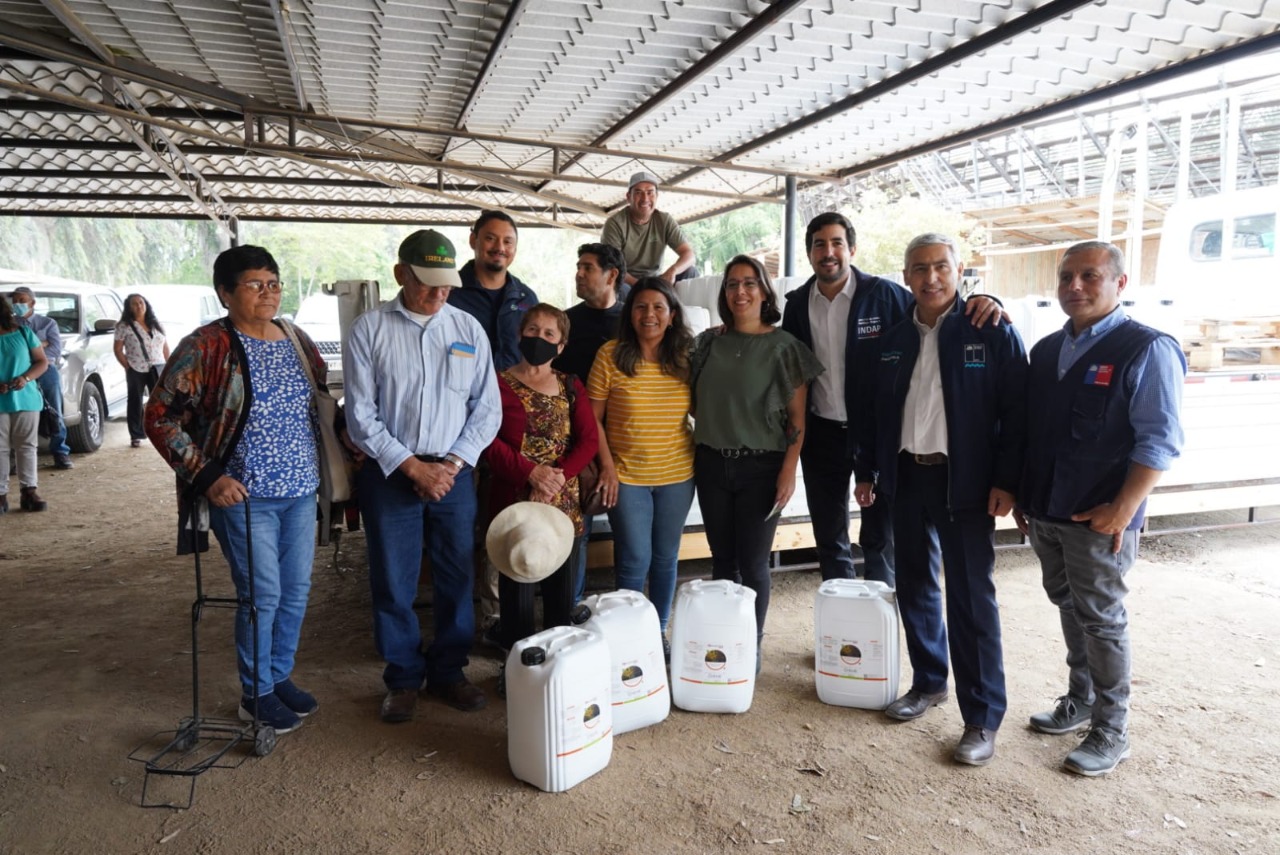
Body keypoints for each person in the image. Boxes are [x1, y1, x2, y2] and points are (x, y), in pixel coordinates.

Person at [853, 234, 1028, 767]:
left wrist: (1007, 480)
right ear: (905, 276)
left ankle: (982, 716)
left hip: (966, 483)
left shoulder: (990, 329)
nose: (931, 277)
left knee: (972, 599)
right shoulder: (892, 337)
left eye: (941, 267)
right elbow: (872, 411)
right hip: (906, 476)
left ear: (959, 271)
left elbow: (1017, 414)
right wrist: (869, 471)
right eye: (920, 268)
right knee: (915, 584)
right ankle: (929, 683)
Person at [1015, 241, 1186, 777]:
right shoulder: (1045, 351)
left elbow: (1159, 440)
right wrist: (1025, 496)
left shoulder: (1146, 349)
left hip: (1100, 519)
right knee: (1067, 603)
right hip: (1047, 510)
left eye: (1090, 276)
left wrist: (1123, 508)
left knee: (1102, 618)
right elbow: (1030, 433)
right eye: (1067, 277)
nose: (1075, 287)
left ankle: (1112, 728)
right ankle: (1080, 698)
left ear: (1120, 283)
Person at [144, 245, 325, 736]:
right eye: (254, 284)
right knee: (261, 594)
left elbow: (318, 404)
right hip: (244, 498)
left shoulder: (296, 338)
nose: (268, 292)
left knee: (295, 592)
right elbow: (159, 416)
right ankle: (256, 694)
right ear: (225, 293)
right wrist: (206, 476)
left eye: (274, 283)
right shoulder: (206, 346)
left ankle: (277, 675)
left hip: (300, 489)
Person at [782, 212, 1003, 586]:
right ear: (809, 254)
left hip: (879, 433)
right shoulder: (798, 304)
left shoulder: (884, 295)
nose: (829, 252)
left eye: (837, 243)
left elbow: (933, 311)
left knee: (880, 534)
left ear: (851, 249)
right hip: (822, 435)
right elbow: (784, 360)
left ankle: (879, 620)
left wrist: (984, 298)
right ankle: (843, 618)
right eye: (819, 244)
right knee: (829, 533)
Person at [346, 228, 501, 723]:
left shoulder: (467, 329)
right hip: (391, 473)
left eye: (446, 285)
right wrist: (412, 466)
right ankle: (404, 677)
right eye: (427, 284)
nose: (439, 294)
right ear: (400, 275)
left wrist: (451, 466)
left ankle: (450, 671)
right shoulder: (369, 329)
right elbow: (361, 417)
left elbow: (486, 409)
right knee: (394, 577)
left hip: (452, 475)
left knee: (458, 573)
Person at [690, 256, 822, 667]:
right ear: (724, 293)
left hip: (761, 468)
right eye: (732, 284)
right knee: (722, 560)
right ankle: (727, 642)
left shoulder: (785, 348)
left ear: (765, 291)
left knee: (753, 562)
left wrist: (788, 472)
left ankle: (754, 644)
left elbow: (798, 420)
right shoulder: (708, 343)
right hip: (711, 464)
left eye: (749, 283)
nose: (740, 292)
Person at [485, 304, 598, 680]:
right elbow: (487, 442)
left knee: (560, 593)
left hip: (562, 504)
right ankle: (516, 673)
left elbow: (588, 441)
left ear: (561, 345)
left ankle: (556, 672)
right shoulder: (496, 384)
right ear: (519, 335)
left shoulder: (571, 385)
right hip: (516, 502)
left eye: (549, 334)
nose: (539, 338)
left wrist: (555, 478)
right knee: (516, 587)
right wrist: (531, 474)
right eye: (532, 330)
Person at [587, 277, 696, 647]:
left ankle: (658, 632)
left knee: (666, 558)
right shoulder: (611, 355)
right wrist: (607, 468)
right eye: (640, 307)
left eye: (658, 308)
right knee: (634, 559)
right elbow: (593, 420)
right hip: (627, 476)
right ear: (630, 313)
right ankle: (628, 635)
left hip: (678, 475)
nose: (649, 315)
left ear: (672, 315)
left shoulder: (686, 358)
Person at [553, 242, 627, 600]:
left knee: (627, 532)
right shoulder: (567, 322)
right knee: (576, 529)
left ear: (611, 275)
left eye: (588, 268)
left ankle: (626, 611)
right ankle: (571, 609)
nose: (579, 274)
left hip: (625, 443)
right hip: (577, 442)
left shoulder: (632, 321)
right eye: (578, 267)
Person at [447, 210, 539, 371]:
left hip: (514, 393)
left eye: (508, 242)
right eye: (490, 238)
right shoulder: (448, 293)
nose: (499, 248)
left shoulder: (526, 299)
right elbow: (439, 346)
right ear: (473, 240)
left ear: (515, 249)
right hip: (463, 392)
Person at [9, 287, 72, 470]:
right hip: (17, 371)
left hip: (45, 369)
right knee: (14, 410)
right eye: (14, 302)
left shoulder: (47, 323)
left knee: (53, 408)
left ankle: (60, 452)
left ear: (32, 302)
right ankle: (14, 457)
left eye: (22, 300)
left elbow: (55, 350)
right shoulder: (10, 324)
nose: (17, 305)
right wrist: (40, 344)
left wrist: (30, 350)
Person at [601, 171, 696, 286]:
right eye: (638, 192)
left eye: (650, 192)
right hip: (627, 282)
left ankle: (674, 304)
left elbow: (689, 254)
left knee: (691, 271)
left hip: (656, 281)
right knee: (617, 285)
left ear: (656, 196)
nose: (645, 198)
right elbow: (613, 266)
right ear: (628, 197)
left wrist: (672, 271)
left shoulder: (664, 220)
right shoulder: (615, 224)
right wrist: (641, 287)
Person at [0, 294, 50, 513]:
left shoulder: (23, 333)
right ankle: (1, 495)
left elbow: (42, 362)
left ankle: (29, 491)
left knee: (27, 446)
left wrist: (25, 378)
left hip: (26, 397)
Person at [115, 293, 170, 449]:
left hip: (158, 365)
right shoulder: (123, 326)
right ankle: (136, 434)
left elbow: (165, 346)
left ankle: (163, 431)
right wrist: (127, 365)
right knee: (135, 400)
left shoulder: (156, 324)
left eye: (141, 302)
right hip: (136, 367)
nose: (139, 306)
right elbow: (118, 349)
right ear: (129, 307)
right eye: (135, 303)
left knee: (160, 400)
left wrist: (169, 364)